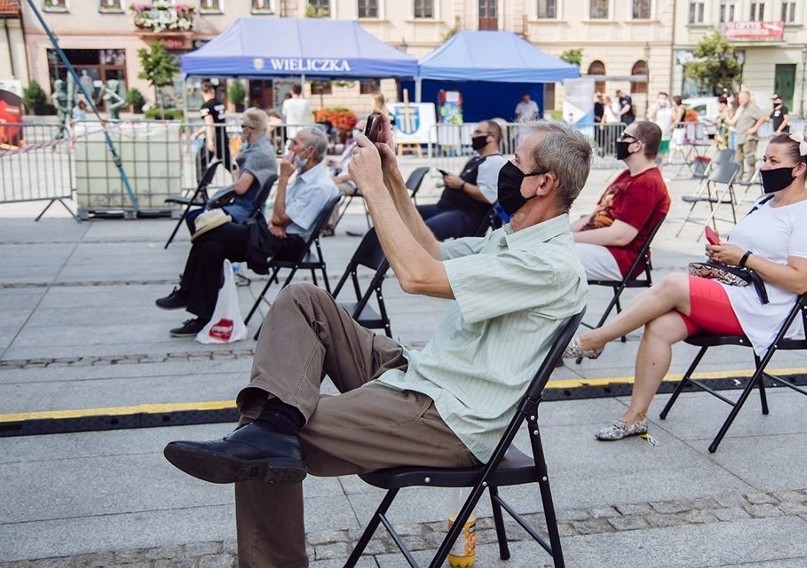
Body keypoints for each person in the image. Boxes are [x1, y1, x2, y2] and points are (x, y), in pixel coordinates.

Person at [161, 118, 592, 567]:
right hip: (424, 374)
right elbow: (431, 252)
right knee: (303, 302)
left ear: (543, 182)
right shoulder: (512, 238)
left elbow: (416, 276)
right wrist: (390, 176)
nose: (504, 168)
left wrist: (371, 188)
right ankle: (273, 427)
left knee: (263, 434)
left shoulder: (550, 265)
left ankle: (271, 491)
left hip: (450, 418)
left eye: (515, 161)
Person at [564, 133, 807, 441]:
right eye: (763, 159)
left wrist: (744, 257)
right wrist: (725, 251)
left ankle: (596, 339)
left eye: (774, 161)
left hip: (767, 309)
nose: (764, 167)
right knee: (660, 326)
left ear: (798, 169)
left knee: (674, 283)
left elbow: (801, 280)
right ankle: (634, 417)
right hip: (735, 291)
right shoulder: (765, 203)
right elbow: (751, 254)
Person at [156, 126, 338, 337]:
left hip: (290, 244)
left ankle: (188, 294)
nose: (290, 147)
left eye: (295, 143)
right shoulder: (305, 175)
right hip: (274, 235)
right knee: (211, 245)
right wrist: (277, 222)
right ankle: (201, 315)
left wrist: (284, 180)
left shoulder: (319, 185)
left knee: (212, 231)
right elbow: (276, 217)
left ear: (310, 152)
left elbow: (280, 217)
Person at [572, 121, 670, 281]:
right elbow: (593, 218)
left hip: (619, 258)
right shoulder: (627, 176)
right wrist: (558, 234)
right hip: (602, 249)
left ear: (637, 145)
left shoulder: (647, 183)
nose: (619, 140)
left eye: (624, 137)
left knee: (549, 257)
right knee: (542, 249)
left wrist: (567, 239)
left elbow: (619, 236)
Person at [186, 108, 277, 233]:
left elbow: (241, 188)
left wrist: (235, 176)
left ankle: (210, 249)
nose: (241, 130)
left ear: (249, 129)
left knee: (194, 217)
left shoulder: (258, 154)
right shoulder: (260, 149)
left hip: (244, 209)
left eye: (242, 126)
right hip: (246, 207)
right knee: (194, 217)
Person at [417, 120, 508, 239]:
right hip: (445, 208)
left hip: (466, 215)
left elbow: (488, 196)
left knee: (423, 232)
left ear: (491, 138)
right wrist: (452, 181)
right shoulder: (476, 159)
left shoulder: (495, 162)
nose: (473, 136)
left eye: (478, 132)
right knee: (406, 213)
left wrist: (461, 185)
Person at [324, 118, 367, 235]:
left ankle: (329, 225)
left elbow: (361, 173)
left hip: (354, 184)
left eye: (359, 129)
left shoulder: (365, 149)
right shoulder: (353, 144)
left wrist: (339, 179)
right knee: (319, 186)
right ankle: (320, 222)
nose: (355, 131)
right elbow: (343, 162)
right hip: (342, 178)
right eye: (355, 129)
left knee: (332, 190)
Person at [192, 82, 232, 173]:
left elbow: (210, 124)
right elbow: (213, 123)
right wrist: (199, 132)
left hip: (214, 138)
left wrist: (210, 141)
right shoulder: (219, 105)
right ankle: (239, 180)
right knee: (228, 164)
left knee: (200, 161)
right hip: (223, 137)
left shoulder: (206, 107)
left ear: (203, 93)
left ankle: (202, 186)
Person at [728, 90, 767, 182]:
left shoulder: (752, 108)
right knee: (738, 159)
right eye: (740, 98)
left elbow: (763, 117)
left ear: (748, 98)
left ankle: (751, 177)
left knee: (749, 158)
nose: (741, 100)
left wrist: (754, 128)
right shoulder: (742, 108)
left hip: (749, 138)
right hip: (740, 137)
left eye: (743, 98)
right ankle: (738, 177)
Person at [646, 92, 673, 163]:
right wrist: (656, 107)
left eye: (664, 98)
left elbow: (673, 119)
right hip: (656, 134)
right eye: (661, 98)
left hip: (666, 135)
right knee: (654, 153)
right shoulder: (654, 106)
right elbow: (649, 116)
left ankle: (659, 169)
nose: (662, 100)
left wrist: (670, 107)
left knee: (662, 155)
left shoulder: (668, 109)